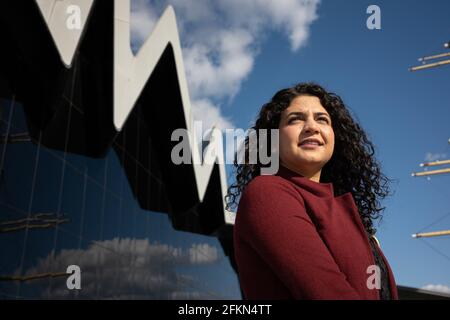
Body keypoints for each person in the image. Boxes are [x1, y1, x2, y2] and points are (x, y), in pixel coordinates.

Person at [226, 82, 399, 300]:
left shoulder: (345, 214)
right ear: (273, 139)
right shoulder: (266, 192)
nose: (312, 127)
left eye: (322, 119)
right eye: (295, 119)